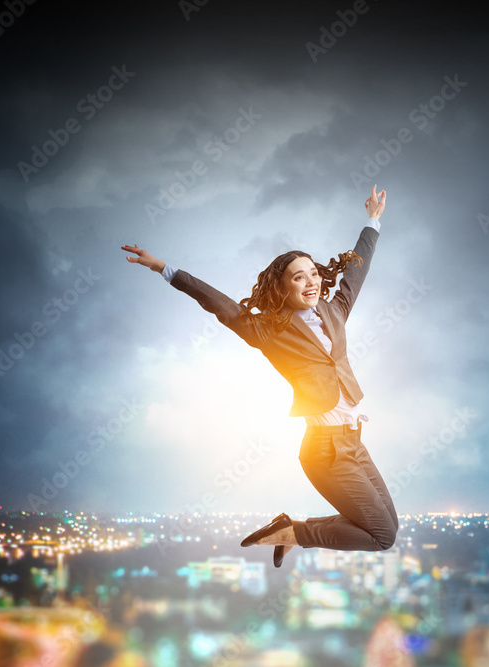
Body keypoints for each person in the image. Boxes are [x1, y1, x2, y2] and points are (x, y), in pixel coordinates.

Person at [121, 185, 396, 567]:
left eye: (313, 273)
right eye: (298, 278)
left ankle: (291, 528)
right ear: (282, 288)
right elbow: (223, 306)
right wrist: (164, 269)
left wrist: (373, 221)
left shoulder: (334, 312)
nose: (311, 281)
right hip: (327, 452)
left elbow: (355, 270)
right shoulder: (271, 333)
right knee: (380, 537)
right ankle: (293, 533)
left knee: (388, 530)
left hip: (355, 442)